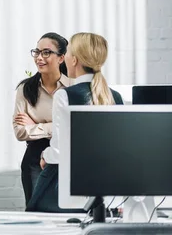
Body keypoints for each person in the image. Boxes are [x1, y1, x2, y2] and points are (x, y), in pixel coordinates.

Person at [26, 32, 123, 212]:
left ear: (74, 60)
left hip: (68, 188)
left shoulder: (65, 95)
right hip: (106, 189)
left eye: (68, 52)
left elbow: (59, 151)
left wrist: (44, 156)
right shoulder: (115, 97)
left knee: (35, 209)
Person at [13, 32, 70, 206]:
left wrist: (38, 126)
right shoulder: (26, 89)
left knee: (68, 210)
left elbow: (76, 127)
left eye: (46, 52)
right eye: (37, 52)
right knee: (35, 209)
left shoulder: (73, 87)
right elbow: (20, 132)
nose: (39, 58)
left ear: (61, 58)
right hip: (34, 159)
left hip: (67, 155)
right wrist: (57, 127)